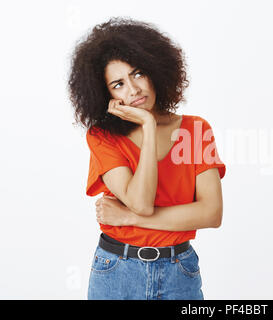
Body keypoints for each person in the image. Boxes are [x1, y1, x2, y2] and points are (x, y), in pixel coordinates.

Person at [67, 17, 226, 300]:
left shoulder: (194, 130)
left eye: (138, 73)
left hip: (180, 272)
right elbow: (141, 201)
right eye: (118, 84)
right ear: (106, 95)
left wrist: (128, 217)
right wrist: (149, 127)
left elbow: (211, 213)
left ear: (155, 69)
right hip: (116, 271)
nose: (133, 89)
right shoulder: (104, 137)